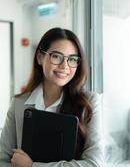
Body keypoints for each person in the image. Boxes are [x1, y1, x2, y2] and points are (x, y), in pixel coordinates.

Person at [0, 27, 104, 167]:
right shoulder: (18, 104)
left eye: (72, 59)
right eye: (56, 56)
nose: (64, 66)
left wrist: (32, 166)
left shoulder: (90, 103)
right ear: (39, 57)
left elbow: (94, 164)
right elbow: (3, 159)